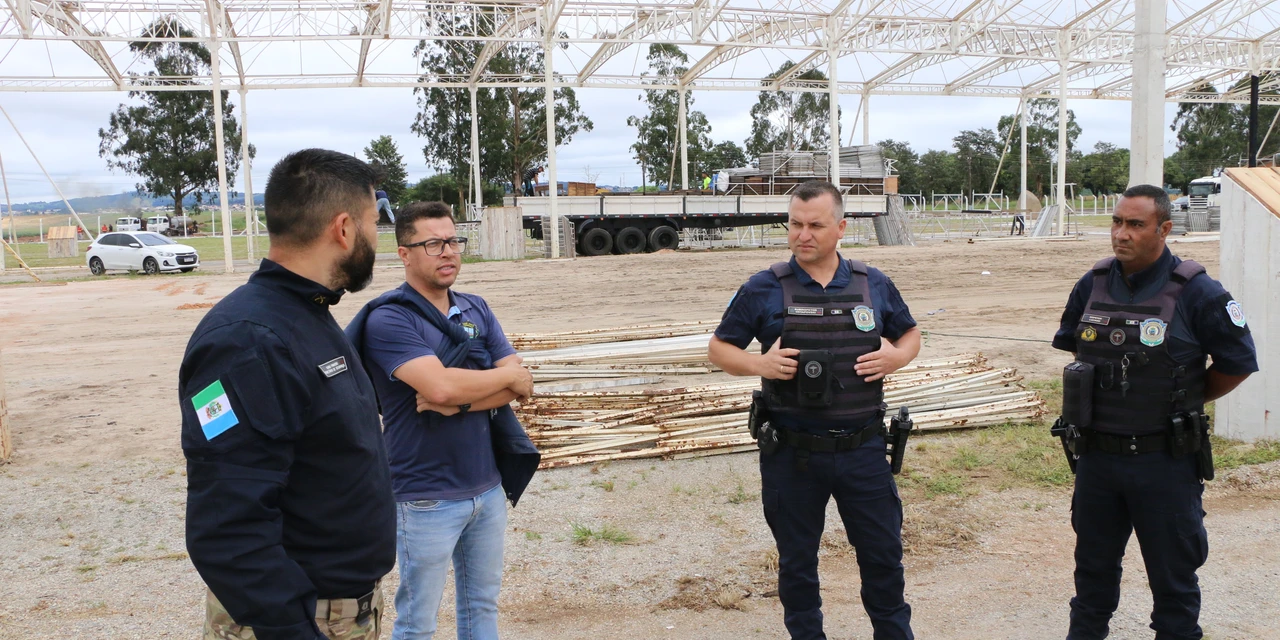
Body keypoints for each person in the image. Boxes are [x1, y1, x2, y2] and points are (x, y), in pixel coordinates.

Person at [179, 148, 395, 640]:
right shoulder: (248, 340)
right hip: (301, 620)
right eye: (371, 223)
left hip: (338, 611)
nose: (376, 238)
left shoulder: (307, 315)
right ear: (343, 229)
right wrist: (292, 629)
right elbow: (228, 525)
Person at [709, 180, 921, 640]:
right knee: (798, 564)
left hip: (863, 450)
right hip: (792, 455)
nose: (803, 235)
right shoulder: (764, 288)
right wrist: (759, 363)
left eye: (815, 226)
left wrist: (897, 356)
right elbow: (719, 349)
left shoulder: (873, 284)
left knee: (883, 560)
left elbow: (910, 335)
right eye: (795, 225)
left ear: (841, 227)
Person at [1051, 184, 1257, 640]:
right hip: (1099, 461)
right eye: (1117, 222)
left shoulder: (1199, 291)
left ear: (1164, 229)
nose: (1121, 234)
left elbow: (1238, 363)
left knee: (1174, 585)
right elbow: (1076, 351)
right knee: (1091, 580)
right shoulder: (1093, 282)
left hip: (1163, 462)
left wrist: (1186, 398)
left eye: (1135, 225)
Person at [346, 201, 539, 640]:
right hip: (425, 495)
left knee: (481, 609)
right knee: (417, 623)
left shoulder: (476, 308)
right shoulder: (389, 318)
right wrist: (496, 378)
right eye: (433, 243)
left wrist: (463, 403)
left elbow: (518, 384)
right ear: (404, 254)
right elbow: (440, 388)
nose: (448, 251)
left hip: (487, 488)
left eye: (453, 240)